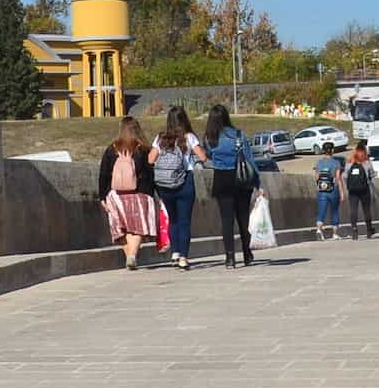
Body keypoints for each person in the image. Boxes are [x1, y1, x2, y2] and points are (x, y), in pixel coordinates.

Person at [200, 103, 264, 268]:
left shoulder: (209, 138)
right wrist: (258, 182)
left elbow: (207, 156)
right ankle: (247, 253)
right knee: (243, 219)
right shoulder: (238, 135)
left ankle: (230, 258)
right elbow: (249, 159)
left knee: (227, 221)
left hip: (221, 180)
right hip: (241, 178)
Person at [97, 115, 161, 271]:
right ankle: (132, 256)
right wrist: (152, 194)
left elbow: (104, 174)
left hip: (116, 195)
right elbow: (150, 174)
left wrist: (102, 197)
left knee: (122, 229)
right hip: (140, 194)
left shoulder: (112, 148)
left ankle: (130, 257)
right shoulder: (144, 149)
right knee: (137, 228)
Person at [150, 106, 208, 269]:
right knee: (184, 221)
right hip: (185, 181)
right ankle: (183, 256)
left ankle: (175, 251)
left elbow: (150, 158)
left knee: (173, 219)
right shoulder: (189, 137)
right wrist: (195, 159)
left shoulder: (160, 138)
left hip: (165, 184)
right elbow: (203, 157)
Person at [342, 138, 378, 239]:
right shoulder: (367, 163)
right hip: (364, 189)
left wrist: (349, 185)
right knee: (366, 210)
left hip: (352, 190)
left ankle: (354, 231)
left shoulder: (349, 163)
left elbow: (344, 176)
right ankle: (369, 230)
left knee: (353, 210)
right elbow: (372, 175)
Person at [312, 141, 344, 238]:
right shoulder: (336, 163)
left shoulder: (319, 162)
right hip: (333, 190)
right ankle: (335, 234)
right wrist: (342, 192)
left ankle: (318, 229)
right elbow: (338, 178)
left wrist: (321, 185)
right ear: (332, 150)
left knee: (321, 211)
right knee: (334, 211)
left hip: (322, 190)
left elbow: (316, 177)